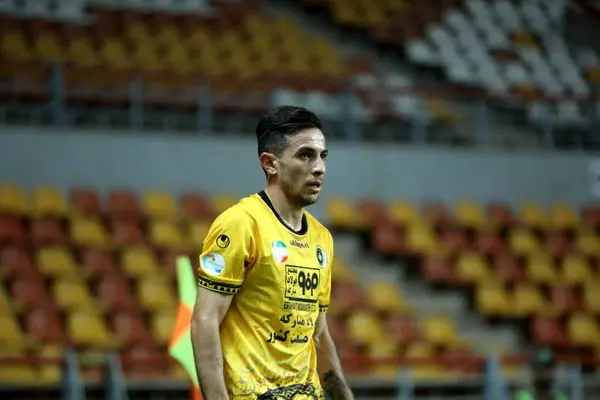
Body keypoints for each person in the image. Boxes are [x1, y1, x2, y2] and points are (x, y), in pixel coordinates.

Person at [190, 106, 354, 400]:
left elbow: (318, 335)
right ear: (270, 164)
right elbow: (205, 319)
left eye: (323, 155)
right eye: (306, 155)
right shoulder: (241, 223)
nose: (319, 167)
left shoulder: (322, 239)